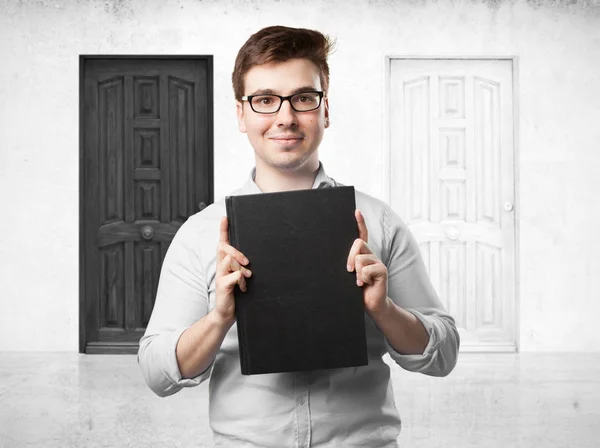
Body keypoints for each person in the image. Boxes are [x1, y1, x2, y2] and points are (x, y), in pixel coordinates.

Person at [138, 25, 460, 448]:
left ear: (325, 110)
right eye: (265, 100)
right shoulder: (201, 232)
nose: (285, 117)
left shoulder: (378, 222)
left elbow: (444, 355)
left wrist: (384, 310)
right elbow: (158, 374)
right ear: (241, 114)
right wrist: (217, 320)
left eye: (303, 98)